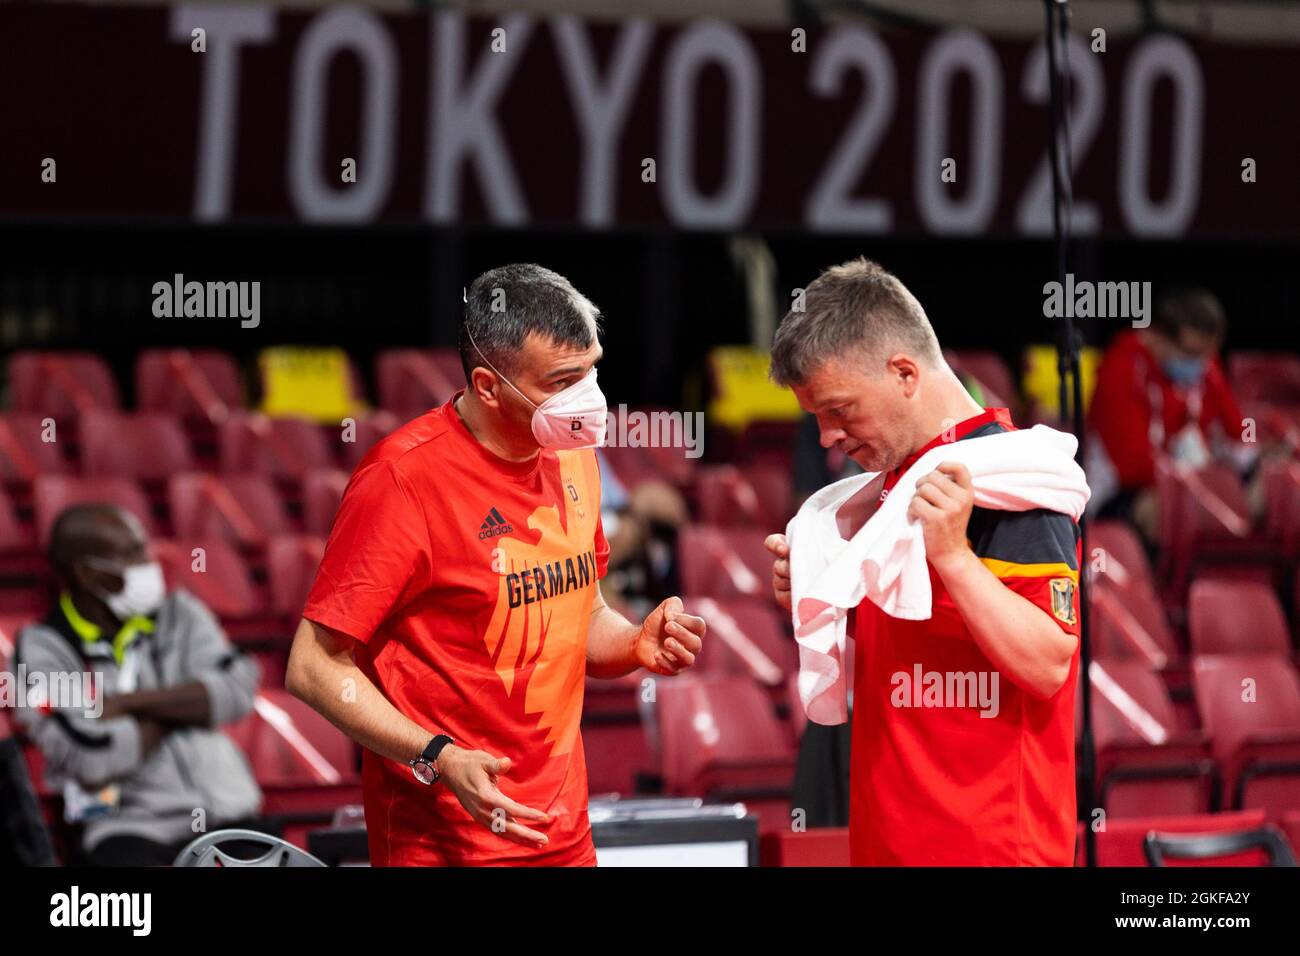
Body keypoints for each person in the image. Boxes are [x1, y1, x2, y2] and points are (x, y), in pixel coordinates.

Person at [287, 263, 707, 866]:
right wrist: (435, 754)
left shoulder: (573, 456)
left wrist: (637, 641)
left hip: (564, 836)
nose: (586, 398)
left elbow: (583, 615)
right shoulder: (402, 481)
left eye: (591, 370)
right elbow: (312, 666)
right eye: (562, 381)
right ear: (487, 386)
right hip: (443, 842)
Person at [765, 257, 1083, 866]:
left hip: (991, 853)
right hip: (889, 847)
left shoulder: (1014, 484)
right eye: (818, 419)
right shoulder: (894, 489)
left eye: (839, 410)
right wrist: (821, 593)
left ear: (904, 372)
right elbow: (919, 642)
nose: (828, 436)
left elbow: (1047, 664)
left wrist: (956, 558)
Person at [14, 504, 262, 865]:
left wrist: (129, 703)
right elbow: (92, 756)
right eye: (132, 553)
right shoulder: (42, 647)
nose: (149, 561)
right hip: (127, 832)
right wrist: (186, 706)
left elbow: (237, 689)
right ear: (87, 574)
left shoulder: (179, 613)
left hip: (231, 816)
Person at [1087, 288, 1258, 540]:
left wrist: (1253, 463)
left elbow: (1236, 432)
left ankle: (1240, 574)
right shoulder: (1121, 369)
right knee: (1163, 507)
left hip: (1188, 481)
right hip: (1119, 494)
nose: (1200, 363)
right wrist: (1200, 483)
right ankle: (1169, 579)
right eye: (1191, 353)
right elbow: (1134, 469)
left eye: (1208, 353)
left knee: (1263, 486)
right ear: (1156, 337)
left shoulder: (1204, 367)